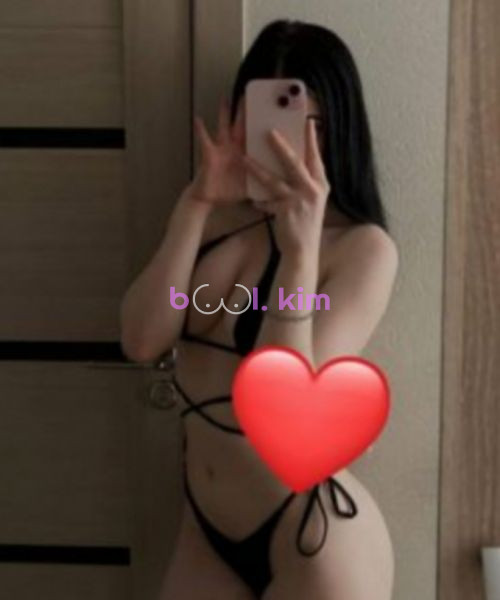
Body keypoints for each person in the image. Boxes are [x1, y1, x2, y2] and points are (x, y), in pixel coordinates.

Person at [120, 18, 398, 600]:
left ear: (338, 127)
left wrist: (300, 252)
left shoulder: (361, 249)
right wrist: (196, 203)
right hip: (204, 530)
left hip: (311, 535)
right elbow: (142, 340)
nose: (282, 142)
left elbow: (289, 412)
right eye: (265, 117)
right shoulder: (213, 219)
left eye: (305, 123)